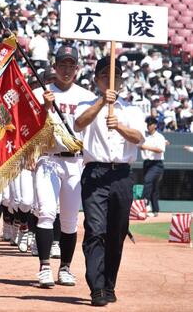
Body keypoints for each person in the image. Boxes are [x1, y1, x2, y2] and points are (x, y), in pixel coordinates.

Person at [74, 56, 145, 306]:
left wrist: (120, 127)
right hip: (95, 173)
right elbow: (78, 123)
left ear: (122, 82)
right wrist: (103, 101)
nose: (110, 81)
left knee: (117, 232)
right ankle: (96, 287)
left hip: (122, 175)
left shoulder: (132, 110)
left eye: (115, 77)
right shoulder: (86, 103)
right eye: (105, 76)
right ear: (96, 80)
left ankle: (109, 284)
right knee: (95, 230)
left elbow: (138, 137)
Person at [33, 46, 96, 287]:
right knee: (47, 212)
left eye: (71, 65)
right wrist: (44, 108)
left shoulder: (86, 96)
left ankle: (66, 268)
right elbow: (28, 128)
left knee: (70, 219)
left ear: (77, 68)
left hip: (75, 161)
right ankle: (44, 267)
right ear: (54, 66)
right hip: (48, 158)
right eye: (63, 65)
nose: (67, 69)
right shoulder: (42, 92)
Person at [140, 116, 166, 217]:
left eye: (150, 124)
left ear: (155, 125)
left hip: (157, 164)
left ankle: (145, 203)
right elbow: (140, 145)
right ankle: (155, 210)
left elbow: (160, 149)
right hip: (146, 163)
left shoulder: (159, 137)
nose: (148, 126)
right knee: (153, 187)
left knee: (148, 180)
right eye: (147, 124)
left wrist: (145, 147)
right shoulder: (145, 136)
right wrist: (142, 147)